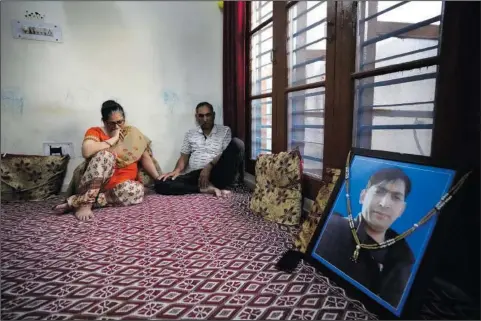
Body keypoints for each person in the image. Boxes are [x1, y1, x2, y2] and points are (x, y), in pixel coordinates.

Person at [315, 167, 415, 308]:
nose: (384, 203)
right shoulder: (333, 228)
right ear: (363, 196)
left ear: (401, 210)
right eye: (379, 192)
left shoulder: (403, 258)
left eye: (396, 197)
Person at [52, 100, 162, 221]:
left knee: (137, 191)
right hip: (96, 182)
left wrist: (158, 179)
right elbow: (86, 151)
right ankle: (85, 204)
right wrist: (113, 139)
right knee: (106, 155)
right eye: (111, 123)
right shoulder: (95, 131)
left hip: (119, 187)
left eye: (120, 122)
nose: (117, 126)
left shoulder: (132, 133)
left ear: (124, 119)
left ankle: (75, 202)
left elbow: (145, 157)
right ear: (104, 121)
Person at [155, 102, 242, 197]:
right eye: (201, 116)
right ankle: (203, 189)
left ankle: (210, 185)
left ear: (213, 115)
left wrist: (208, 167)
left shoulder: (225, 131)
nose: (205, 119)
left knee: (237, 143)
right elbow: (184, 157)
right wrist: (177, 170)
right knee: (160, 183)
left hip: (216, 173)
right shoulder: (190, 133)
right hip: (194, 175)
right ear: (196, 117)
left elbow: (225, 155)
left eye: (208, 115)